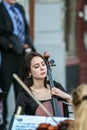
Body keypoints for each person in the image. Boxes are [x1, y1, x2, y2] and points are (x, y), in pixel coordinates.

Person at [0, 0, 36, 129]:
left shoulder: (19, 7)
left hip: (21, 56)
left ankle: (22, 121)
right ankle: (2, 123)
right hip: (6, 56)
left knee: (22, 90)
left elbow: (25, 30)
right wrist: (10, 44)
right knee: (3, 91)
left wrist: (30, 48)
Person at [14, 52, 72, 117]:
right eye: (36, 67)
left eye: (43, 64)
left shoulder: (56, 86)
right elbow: (17, 118)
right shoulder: (24, 94)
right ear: (29, 72)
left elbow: (79, 107)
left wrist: (67, 96)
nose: (42, 68)